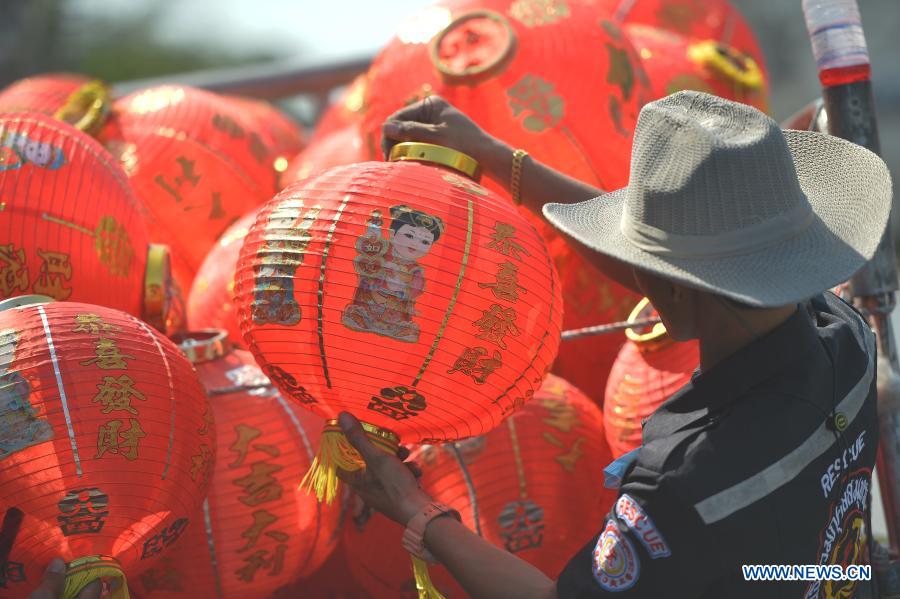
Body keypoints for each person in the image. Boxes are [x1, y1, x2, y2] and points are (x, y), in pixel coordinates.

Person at [336, 91, 892, 597]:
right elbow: (689, 285)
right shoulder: (846, 333)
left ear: (670, 286)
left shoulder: (684, 484)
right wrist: (495, 155)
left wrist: (413, 508)